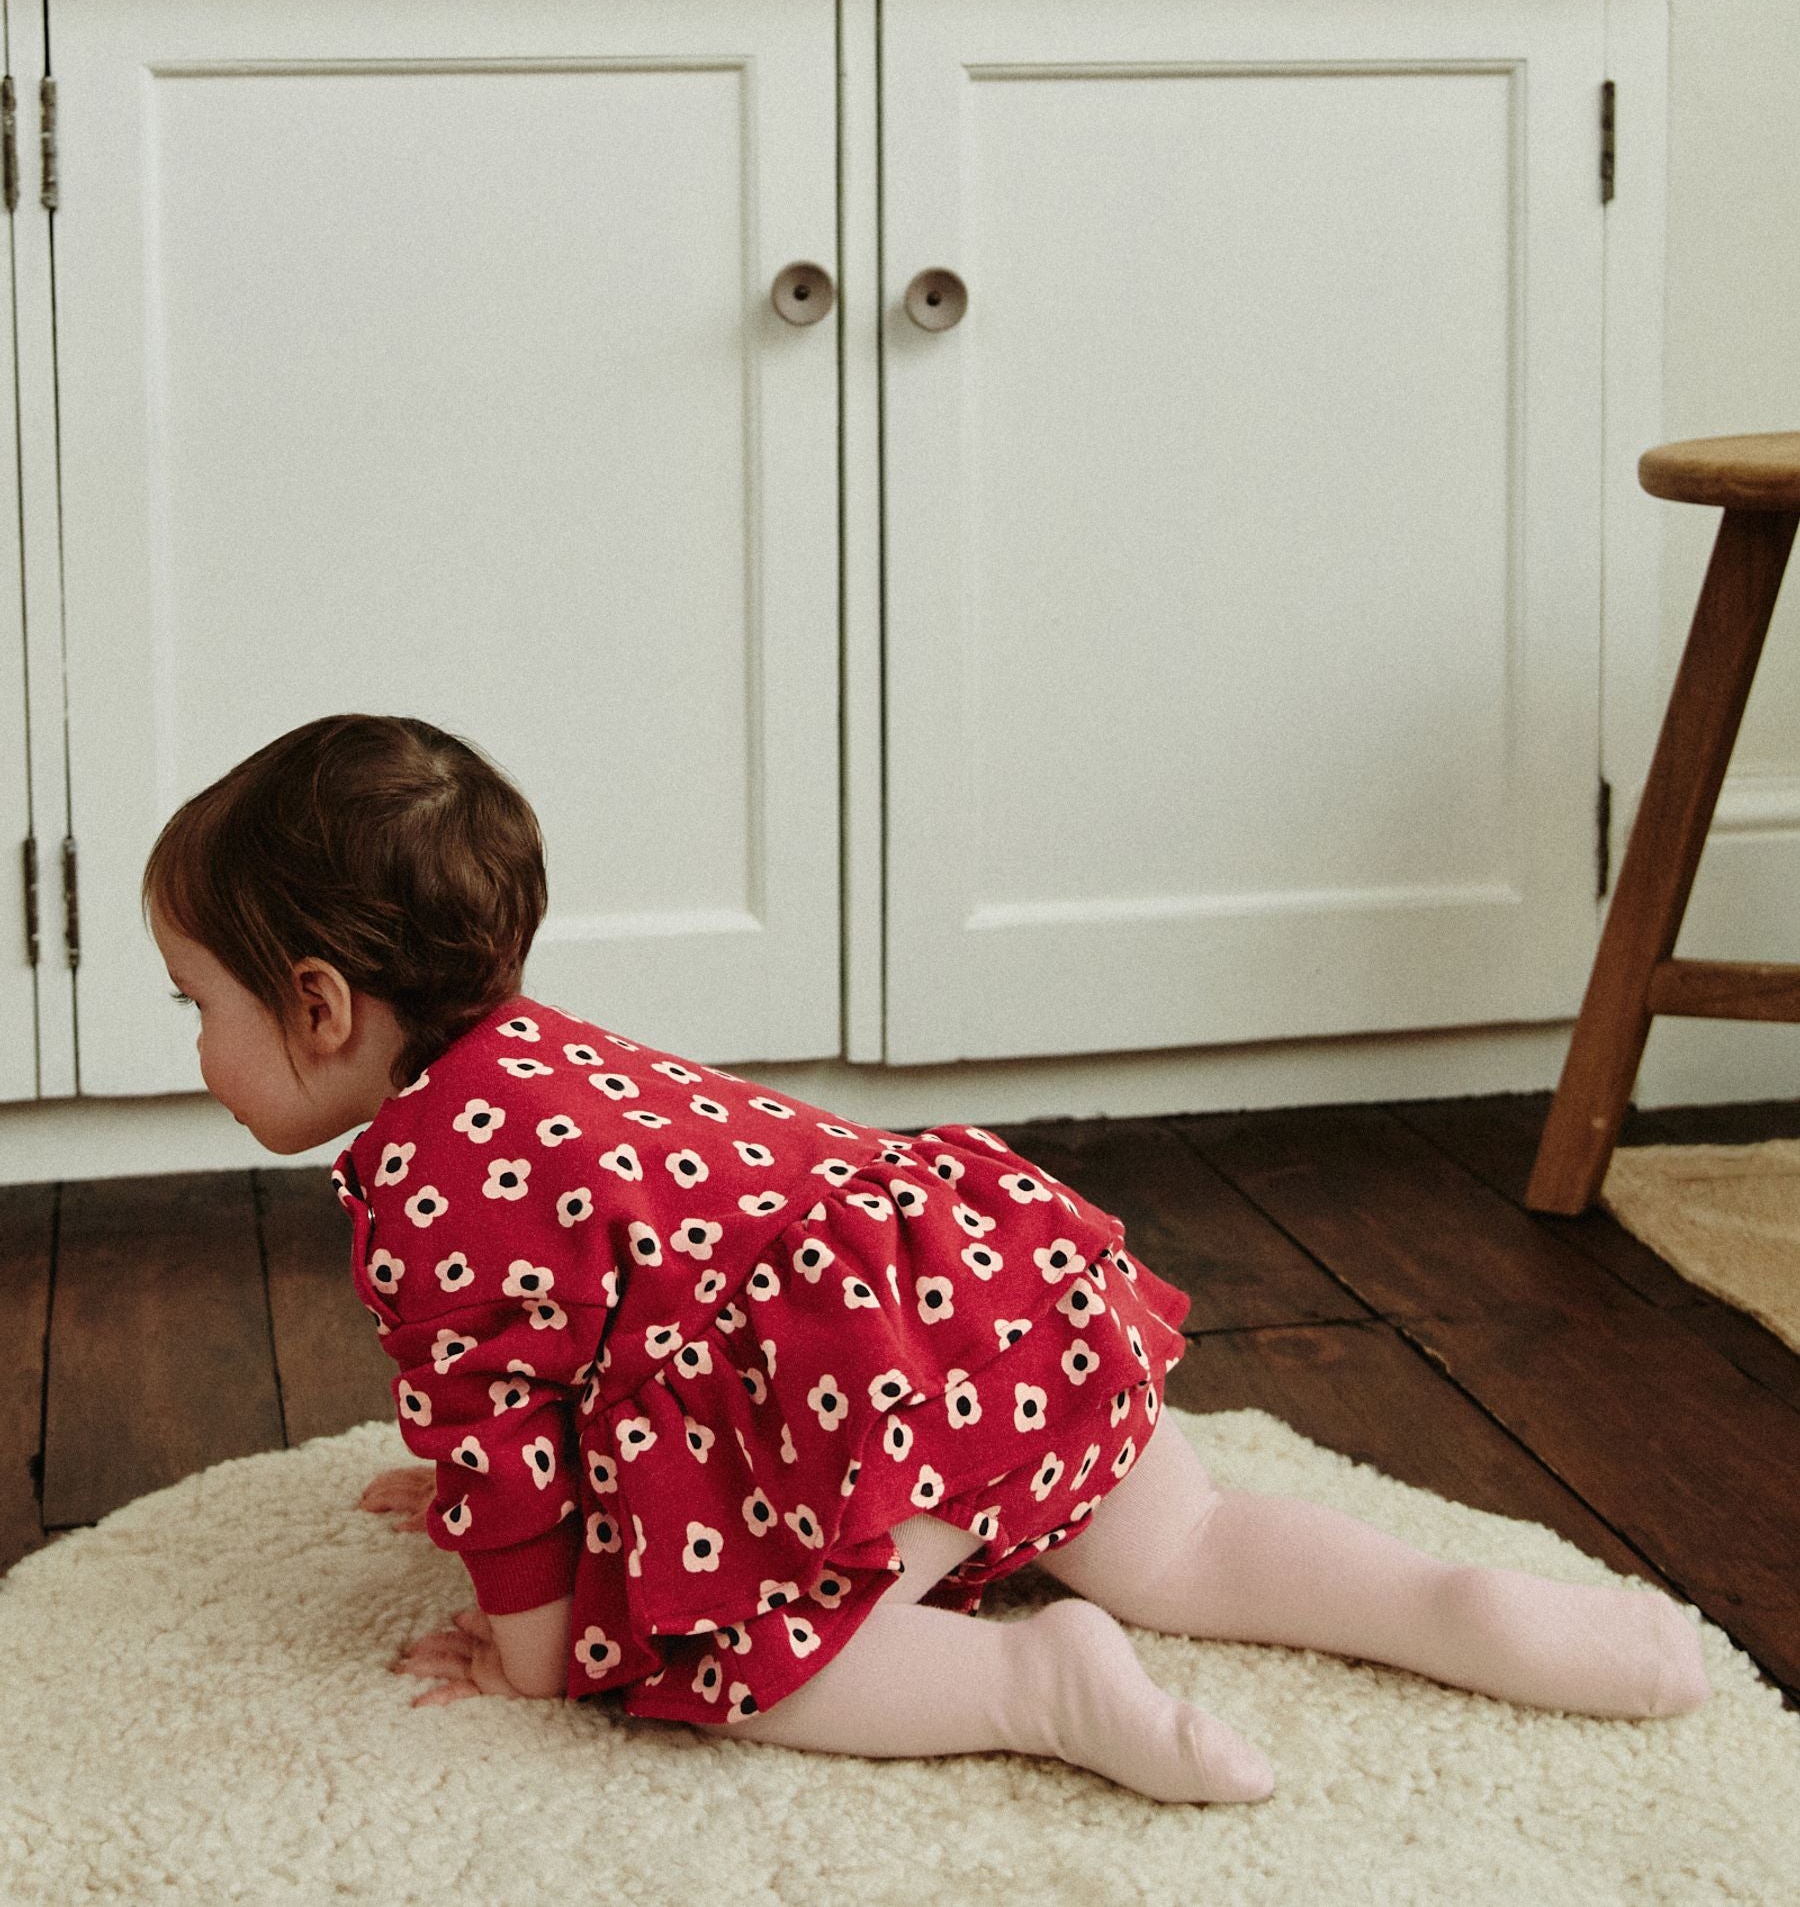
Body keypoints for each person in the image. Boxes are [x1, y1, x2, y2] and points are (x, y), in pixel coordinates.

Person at [143, 713, 1708, 1806]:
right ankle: (1456, 1609)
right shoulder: (544, 1048)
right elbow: (582, 1329)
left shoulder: (423, 1175)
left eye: (196, 1004)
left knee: (731, 1654)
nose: (196, 1045)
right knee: (1190, 1541)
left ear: (324, 1004)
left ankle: (1041, 1691)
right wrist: (482, 1479)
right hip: (986, 1291)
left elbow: (513, 1427)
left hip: (859, 1384)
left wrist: (532, 1651)